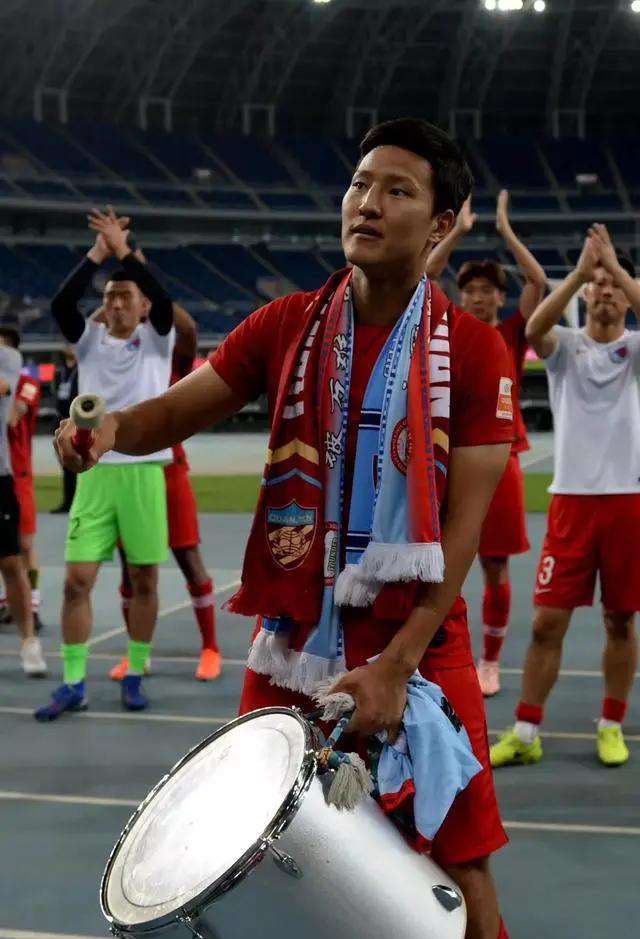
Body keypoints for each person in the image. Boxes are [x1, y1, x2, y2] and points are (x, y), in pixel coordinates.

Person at [54, 119, 515, 939]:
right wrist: (112, 429)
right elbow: (175, 410)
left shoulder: (475, 352)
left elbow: (461, 534)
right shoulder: (287, 324)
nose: (367, 203)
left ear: (441, 223)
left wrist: (395, 667)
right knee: (256, 861)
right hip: (293, 644)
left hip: (415, 645)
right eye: (360, 184)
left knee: (463, 872)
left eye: (397, 191)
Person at [491, 224, 640, 770]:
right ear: (585, 291)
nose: (606, 291)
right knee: (546, 624)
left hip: (627, 502)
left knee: (620, 620)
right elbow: (534, 327)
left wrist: (616, 269)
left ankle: (611, 725)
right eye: (598, 285)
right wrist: (580, 272)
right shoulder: (567, 348)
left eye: (615, 285)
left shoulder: (634, 349)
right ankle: (526, 731)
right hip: (571, 504)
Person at [35, 208, 175, 721]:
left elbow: (163, 297)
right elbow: (61, 303)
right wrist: (98, 253)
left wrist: (124, 251)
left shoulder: (158, 339)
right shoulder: (90, 341)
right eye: (110, 296)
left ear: (142, 307)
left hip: (144, 472)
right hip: (94, 474)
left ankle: (134, 672)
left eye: (125, 296)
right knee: (77, 580)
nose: (115, 302)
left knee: (144, 581)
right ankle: (73, 683)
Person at [426, 190, 547, 696]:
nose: (478, 296)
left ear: (501, 297)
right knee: (433, 562)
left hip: (502, 458)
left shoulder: (515, 333)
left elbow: (538, 283)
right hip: (448, 457)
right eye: (471, 289)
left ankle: (490, 662)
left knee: (496, 567)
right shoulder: (449, 326)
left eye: (488, 290)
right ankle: (433, 651)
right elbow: (426, 274)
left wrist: (505, 230)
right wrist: (457, 230)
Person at [109, 302, 222, 683]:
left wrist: (150, 293)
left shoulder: (168, 362)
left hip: (169, 472)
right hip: (128, 475)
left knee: (188, 558)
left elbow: (188, 330)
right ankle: (137, 654)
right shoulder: (114, 362)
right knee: (130, 569)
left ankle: (210, 648)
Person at [0, 326, 47, 676]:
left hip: (12, 473)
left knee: (17, 552)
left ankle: (31, 629)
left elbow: (12, 409)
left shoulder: (13, 364)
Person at [8, 353, 44, 631]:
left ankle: (32, 602)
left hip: (18, 475)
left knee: (25, 544)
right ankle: (7, 601)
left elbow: (13, 417)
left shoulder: (27, 383)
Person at [51, 345, 78, 513]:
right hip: (61, 420)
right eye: (68, 346)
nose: (71, 348)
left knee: (79, 463)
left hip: (78, 421)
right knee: (65, 465)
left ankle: (78, 502)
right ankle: (67, 502)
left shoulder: (82, 370)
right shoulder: (59, 372)